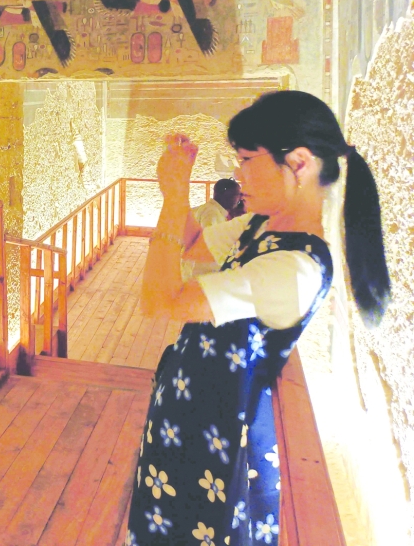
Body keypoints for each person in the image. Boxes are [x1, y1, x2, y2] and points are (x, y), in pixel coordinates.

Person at [127, 90, 390, 546]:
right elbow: (191, 243)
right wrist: (177, 189)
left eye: (247, 159)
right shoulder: (260, 225)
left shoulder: (295, 269)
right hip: (193, 416)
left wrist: (172, 195)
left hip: (219, 435)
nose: (237, 172)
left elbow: (161, 300)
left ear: (299, 163)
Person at [180, 178, 241, 280]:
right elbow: (208, 244)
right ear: (227, 196)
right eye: (237, 195)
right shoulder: (211, 214)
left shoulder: (212, 209)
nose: (239, 200)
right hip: (200, 272)